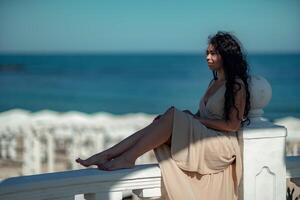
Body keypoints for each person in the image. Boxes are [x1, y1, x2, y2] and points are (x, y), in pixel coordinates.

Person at [76, 31, 251, 200]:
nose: (207, 57)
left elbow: (232, 125)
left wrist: (194, 119)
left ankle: (126, 158)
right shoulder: (214, 82)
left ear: (226, 55)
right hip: (207, 137)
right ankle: (108, 155)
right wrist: (193, 116)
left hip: (221, 145)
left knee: (172, 115)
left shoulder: (236, 85)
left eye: (213, 53)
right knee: (160, 121)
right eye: (207, 53)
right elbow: (206, 115)